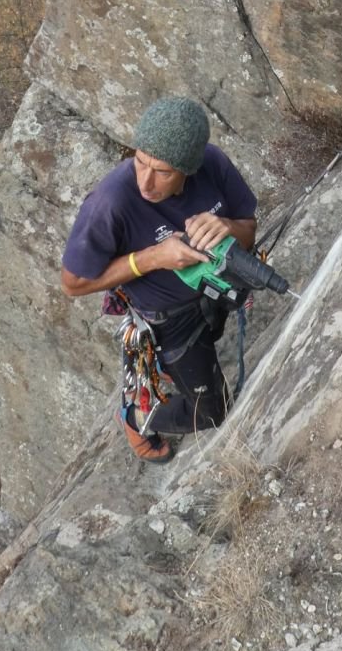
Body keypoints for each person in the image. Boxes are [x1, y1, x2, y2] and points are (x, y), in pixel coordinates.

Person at [60, 97, 258, 462]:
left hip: (214, 290)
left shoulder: (211, 163)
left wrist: (227, 227)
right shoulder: (112, 202)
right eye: (140, 162)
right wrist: (153, 258)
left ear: (189, 169)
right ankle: (137, 416)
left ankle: (172, 376)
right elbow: (73, 282)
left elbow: (248, 227)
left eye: (163, 172)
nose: (146, 182)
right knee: (212, 411)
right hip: (171, 320)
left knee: (212, 340)